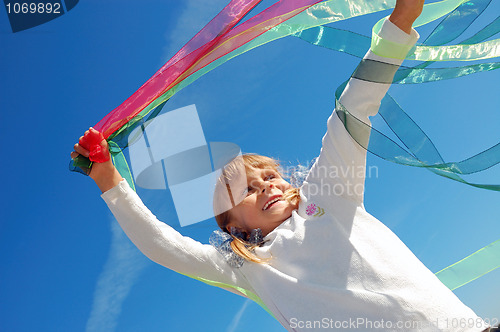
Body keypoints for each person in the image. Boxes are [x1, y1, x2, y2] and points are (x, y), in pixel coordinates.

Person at [71, 0, 491, 330]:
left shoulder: (329, 194)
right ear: (232, 225)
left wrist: (401, 23)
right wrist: (108, 179)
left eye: (269, 177)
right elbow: (164, 246)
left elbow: (353, 108)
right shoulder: (246, 267)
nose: (266, 187)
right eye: (248, 190)